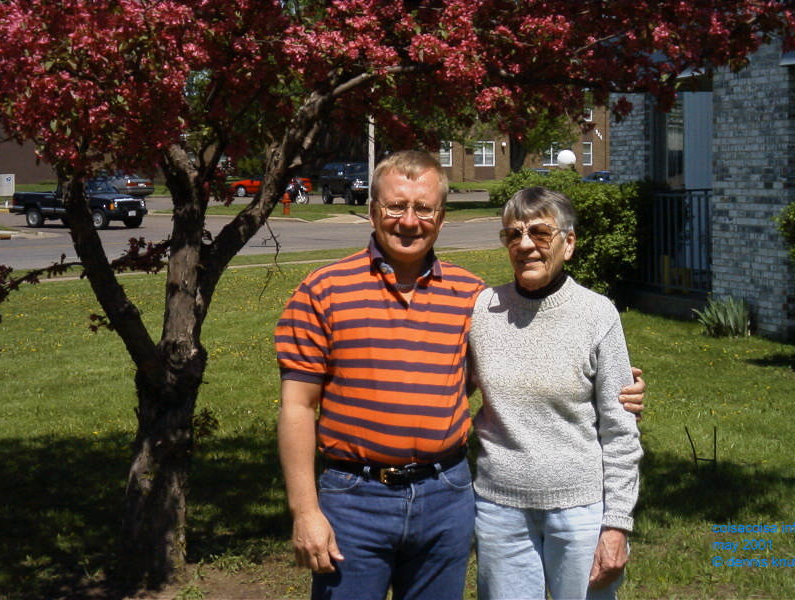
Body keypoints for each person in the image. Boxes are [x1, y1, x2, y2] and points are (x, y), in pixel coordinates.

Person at [275, 151, 645, 600]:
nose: (409, 220)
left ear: (441, 219)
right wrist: (304, 510)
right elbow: (297, 405)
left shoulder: (470, 298)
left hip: (443, 495)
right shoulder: (324, 290)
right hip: (356, 498)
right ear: (372, 211)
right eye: (395, 206)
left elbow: (504, 365)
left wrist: (617, 388)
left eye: (424, 208)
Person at [467, 186, 643, 600]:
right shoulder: (482, 310)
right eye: (513, 234)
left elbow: (620, 431)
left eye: (540, 233)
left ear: (569, 243)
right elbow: (443, 387)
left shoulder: (597, 313)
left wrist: (616, 524)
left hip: (581, 512)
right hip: (499, 511)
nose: (525, 245)